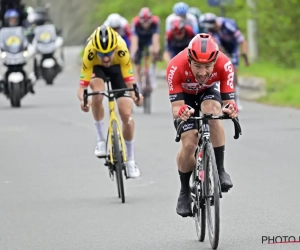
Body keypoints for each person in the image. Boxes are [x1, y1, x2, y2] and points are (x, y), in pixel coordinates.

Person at [166, 33, 238, 217]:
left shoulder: (225, 64)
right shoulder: (175, 66)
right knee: (189, 143)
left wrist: (231, 109)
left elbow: (228, 101)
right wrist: (182, 112)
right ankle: (184, 191)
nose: (203, 72)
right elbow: (176, 107)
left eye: (208, 66)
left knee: (213, 114)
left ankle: (220, 171)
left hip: (209, 92)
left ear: (215, 61)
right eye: (197, 66)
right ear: (189, 59)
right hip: (185, 97)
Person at [77, 25, 143, 178]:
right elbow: (82, 87)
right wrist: (83, 100)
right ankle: (101, 140)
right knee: (98, 95)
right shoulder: (90, 52)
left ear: (115, 48)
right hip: (96, 69)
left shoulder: (121, 48)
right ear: (96, 50)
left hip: (117, 69)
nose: (106, 58)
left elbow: (129, 80)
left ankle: (131, 159)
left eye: (109, 53)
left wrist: (135, 96)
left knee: (126, 115)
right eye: (102, 53)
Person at [200, 12, 249, 110]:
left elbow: (242, 41)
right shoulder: (211, 31)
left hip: (233, 48)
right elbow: (213, 45)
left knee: (233, 73)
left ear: (215, 24)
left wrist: (245, 57)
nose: (210, 30)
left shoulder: (229, 26)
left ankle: (236, 99)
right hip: (221, 48)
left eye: (212, 28)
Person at [130, 7, 161, 91]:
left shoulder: (155, 21)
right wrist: (133, 54)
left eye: (148, 21)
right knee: (137, 60)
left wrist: (156, 51)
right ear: (140, 19)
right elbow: (134, 41)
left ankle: (152, 72)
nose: (146, 24)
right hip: (139, 39)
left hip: (149, 39)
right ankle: (138, 82)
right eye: (144, 21)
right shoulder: (135, 22)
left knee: (153, 50)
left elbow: (156, 39)